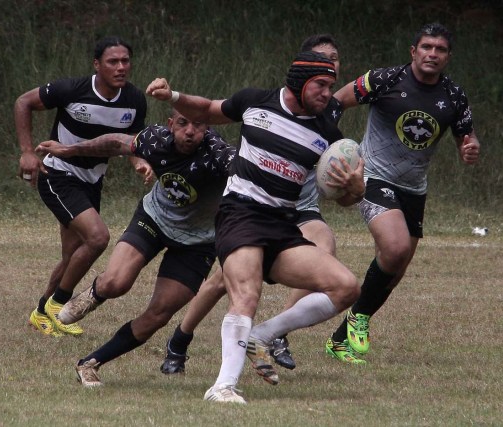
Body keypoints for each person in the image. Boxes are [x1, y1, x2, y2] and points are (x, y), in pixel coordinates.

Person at [146, 50, 365, 404]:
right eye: (321, 85)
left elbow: (341, 197)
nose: (328, 93)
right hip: (240, 214)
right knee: (246, 295)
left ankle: (262, 335)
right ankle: (222, 386)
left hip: (282, 224)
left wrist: (355, 190)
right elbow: (207, 110)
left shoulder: (327, 132)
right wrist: (172, 97)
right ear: (300, 82)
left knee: (346, 287)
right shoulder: (256, 101)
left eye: (331, 86)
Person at [34, 109, 235, 386]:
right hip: (154, 219)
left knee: (158, 315)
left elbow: (252, 176)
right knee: (116, 283)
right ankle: (94, 293)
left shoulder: (218, 155)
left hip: (198, 241)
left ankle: (90, 363)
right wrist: (68, 149)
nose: (189, 131)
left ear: (208, 127)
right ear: (170, 124)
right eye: (182, 123)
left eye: (198, 125)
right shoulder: (156, 140)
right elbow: (116, 143)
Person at [325, 22, 481, 364]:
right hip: (374, 177)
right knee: (393, 249)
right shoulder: (384, 80)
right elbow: (336, 102)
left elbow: (466, 138)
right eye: (426, 47)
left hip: (414, 189)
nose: (432, 54)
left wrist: (470, 148)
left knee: (393, 272)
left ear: (448, 57)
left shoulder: (454, 96)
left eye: (440, 49)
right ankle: (359, 318)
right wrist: (329, 144)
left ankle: (339, 340)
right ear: (413, 51)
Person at [15, 36, 150, 337]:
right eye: (113, 61)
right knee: (98, 237)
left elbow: (131, 142)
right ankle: (59, 304)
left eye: (125, 61)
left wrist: (140, 162)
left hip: (92, 181)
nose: (120, 67)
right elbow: (23, 102)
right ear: (97, 65)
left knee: (73, 256)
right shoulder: (72, 90)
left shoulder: (134, 100)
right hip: (58, 174)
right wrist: (26, 151)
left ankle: (40, 313)